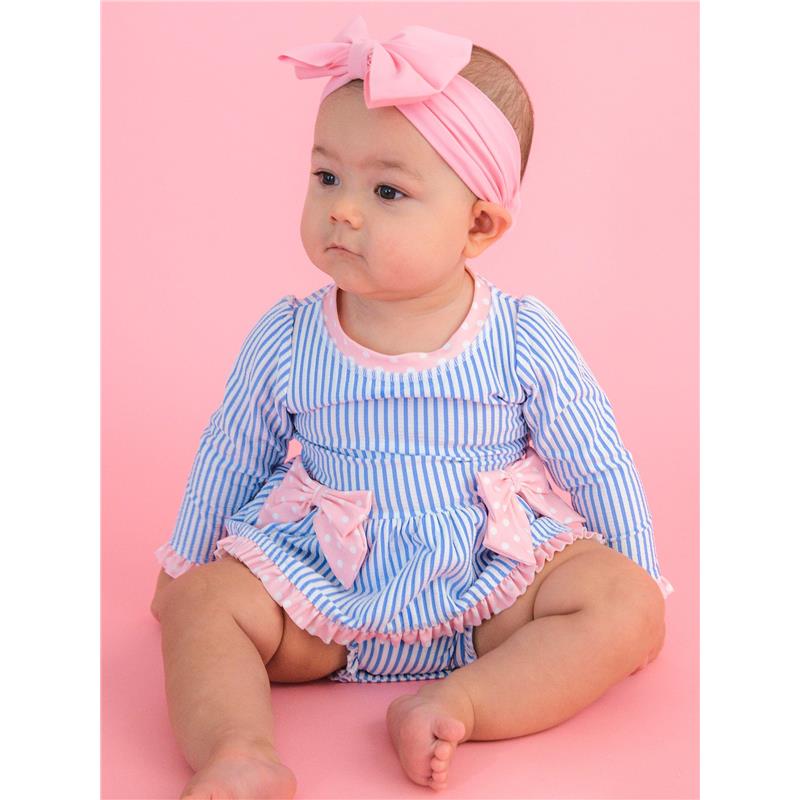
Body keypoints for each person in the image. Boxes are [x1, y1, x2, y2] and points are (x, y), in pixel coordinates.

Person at [150, 15, 675, 800]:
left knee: (624, 604)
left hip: (490, 590)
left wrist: (641, 574)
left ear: (478, 225)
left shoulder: (522, 336)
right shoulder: (289, 338)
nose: (343, 210)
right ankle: (239, 751)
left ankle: (459, 702)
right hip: (323, 593)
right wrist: (185, 563)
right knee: (200, 604)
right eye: (327, 177)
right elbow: (232, 452)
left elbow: (595, 459)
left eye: (387, 191)